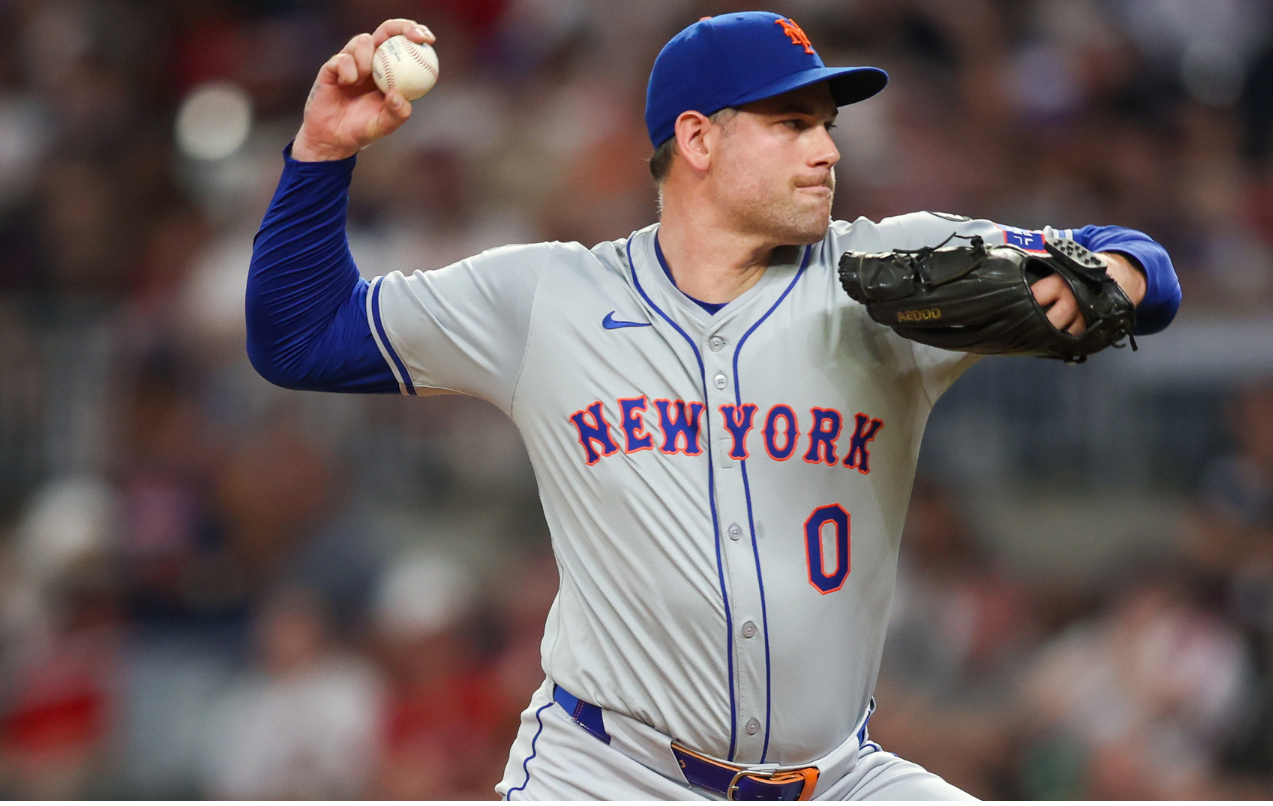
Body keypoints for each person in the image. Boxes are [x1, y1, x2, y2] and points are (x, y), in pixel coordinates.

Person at [245, 12, 1181, 800]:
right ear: (697, 139)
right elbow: (299, 337)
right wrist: (323, 150)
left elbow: (1139, 261)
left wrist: (1120, 274)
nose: (828, 150)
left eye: (828, 123)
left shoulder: (885, 272)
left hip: (836, 778)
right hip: (606, 773)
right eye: (792, 122)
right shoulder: (546, 299)